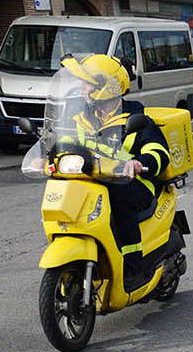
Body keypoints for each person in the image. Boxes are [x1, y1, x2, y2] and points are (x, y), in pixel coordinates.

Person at [60, 54, 171, 286]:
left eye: (88, 83)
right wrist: (48, 157)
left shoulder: (135, 118)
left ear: (106, 88)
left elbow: (159, 152)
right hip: (94, 180)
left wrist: (138, 162)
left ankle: (133, 265)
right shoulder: (82, 118)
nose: (82, 88)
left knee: (119, 199)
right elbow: (64, 144)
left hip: (134, 182)